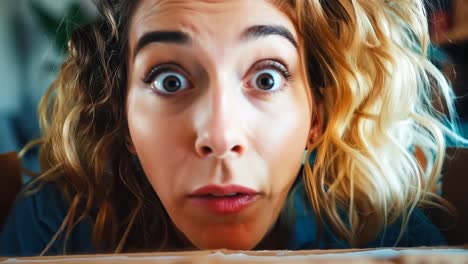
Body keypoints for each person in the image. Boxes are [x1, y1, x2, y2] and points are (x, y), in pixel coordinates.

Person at [0, 0, 465, 256]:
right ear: (123, 119)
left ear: (317, 119)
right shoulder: (53, 228)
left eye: (266, 78)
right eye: (169, 80)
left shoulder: (381, 233)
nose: (221, 138)